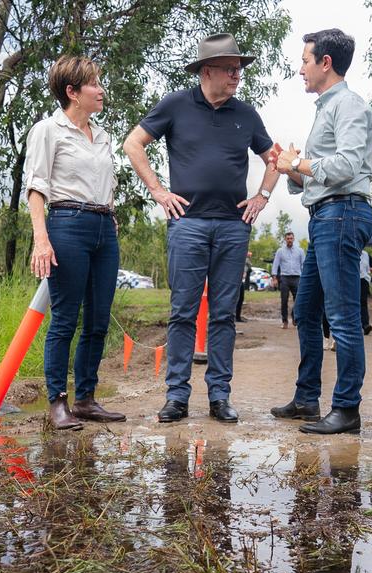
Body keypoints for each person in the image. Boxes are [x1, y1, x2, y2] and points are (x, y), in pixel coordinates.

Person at [123, 33, 278, 423]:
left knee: (224, 315)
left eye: (239, 69)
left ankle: (219, 397)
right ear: (207, 71)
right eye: (230, 69)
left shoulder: (246, 113)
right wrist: (158, 191)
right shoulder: (176, 104)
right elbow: (133, 144)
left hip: (232, 226)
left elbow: (274, 159)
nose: (237, 76)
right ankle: (176, 397)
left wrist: (261, 196)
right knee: (182, 314)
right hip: (187, 224)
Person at [269, 28, 372, 435]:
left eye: (304, 60)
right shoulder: (326, 109)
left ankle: (347, 409)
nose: (300, 69)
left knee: (343, 318)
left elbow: (347, 166)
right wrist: (292, 167)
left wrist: (300, 164)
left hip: (343, 214)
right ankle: (307, 398)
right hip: (326, 216)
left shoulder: (348, 105)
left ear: (325, 63)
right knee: (306, 310)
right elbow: (310, 182)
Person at [24, 55, 126, 430]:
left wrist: (110, 217)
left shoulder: (102, 135)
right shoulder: (47, 130)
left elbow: (105, 185)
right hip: (67, 224)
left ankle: (86, 398)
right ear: (72, 92)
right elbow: (36, 188)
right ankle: (57, 402)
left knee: (98, 321)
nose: (100, 90)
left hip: (103, 227)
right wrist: (41, 240)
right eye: (94, 84)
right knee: (65, 320)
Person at [271, 231, 305, 328]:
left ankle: (295, 318)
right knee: (284, 300)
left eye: (291, 238)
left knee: (298, 300)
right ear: (285, 239)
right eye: (288, 238)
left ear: (293, 239)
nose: (289, 240)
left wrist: (305, 278)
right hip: (284, 278)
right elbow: (275, 264)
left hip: (297, 278)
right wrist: (274, 278)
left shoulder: (300, 251)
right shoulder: (280, 251)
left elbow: (304, 265)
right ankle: (285, 321)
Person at [359, 249, 372, 335]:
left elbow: (369, 269)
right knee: (351, 303)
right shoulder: (348, 249)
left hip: (363, 280)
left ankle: (365, 325)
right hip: (351, 279)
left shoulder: (365, 254)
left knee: (363, 302)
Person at [236, 251, 253, 322]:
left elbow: (249, 266)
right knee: (236, 299)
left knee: (240, 299)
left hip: (241, 280)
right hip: (236, 280)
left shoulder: (245, 261)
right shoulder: (243, 259)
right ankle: (234, 317)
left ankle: (237, 317)